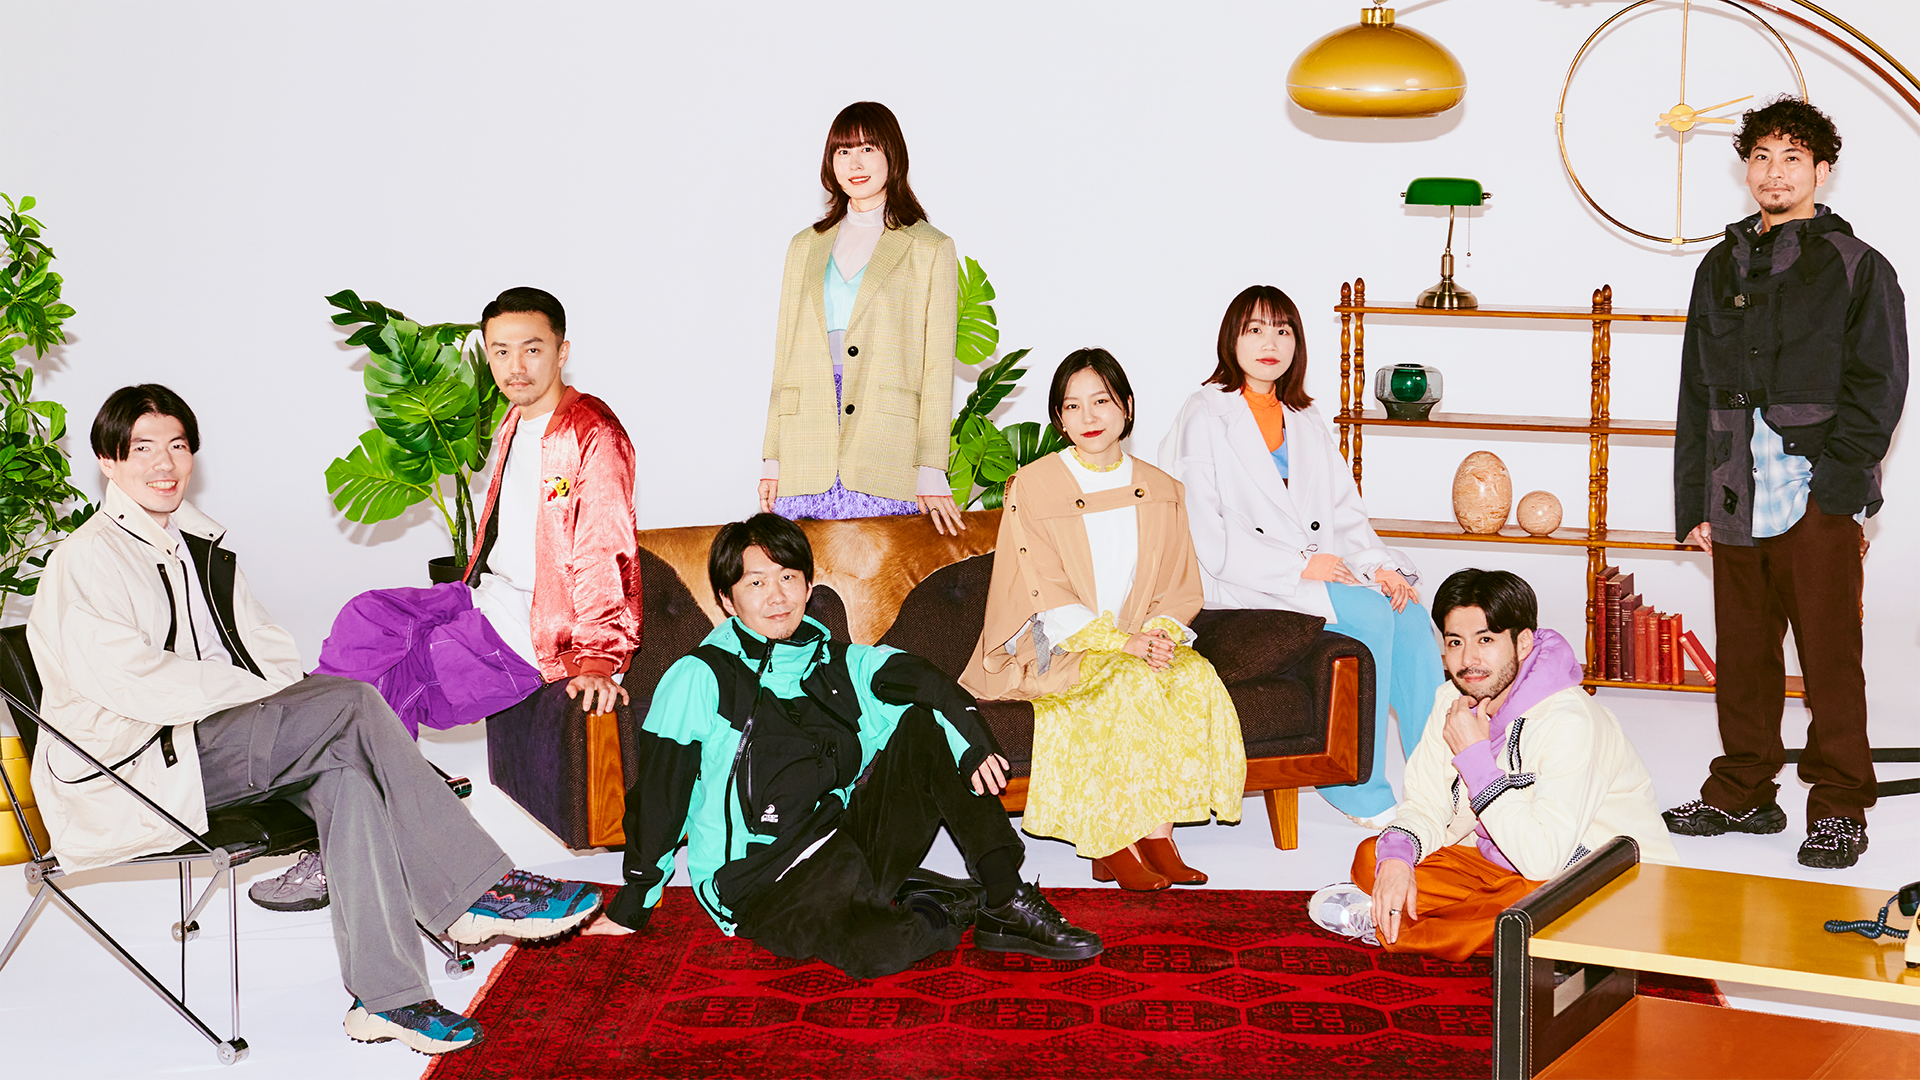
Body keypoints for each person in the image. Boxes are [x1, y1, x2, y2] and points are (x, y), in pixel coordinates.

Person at [27, 385, 603, 1055]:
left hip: (211, 740)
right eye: (142, 449)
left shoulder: (196, 544)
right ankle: (477, 891)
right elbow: (131, 682)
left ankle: (388, 999)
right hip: (136, 765)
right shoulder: (86, 559)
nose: (164, 464)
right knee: (352, 703)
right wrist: (258, 698)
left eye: (178, 446)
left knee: (347, 777)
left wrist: (274, 696)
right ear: (108, 460)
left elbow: (267, 646)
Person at [583, 514, 1101, 979]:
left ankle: (1005, 899)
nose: (777, 596)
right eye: (756, 582)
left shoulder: (839, 663)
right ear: (727, 599)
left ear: (808, 587)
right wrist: (633, 903)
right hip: (760, 883)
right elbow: (661, 794)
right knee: (881, 951)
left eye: (788, 578)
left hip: (846, 842)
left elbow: (920, 679)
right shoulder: (700, 678)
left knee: (926, 722)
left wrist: (973, 740)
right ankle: (942, 902)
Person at [260, 287, 640, 912]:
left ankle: (343, 845)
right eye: (501, 351)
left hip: (533, 632)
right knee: (368, 617)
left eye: (532, 349)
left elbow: (607, 547)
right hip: (485, 598)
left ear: (562, 351)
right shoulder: (516, 420)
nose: (515, 366)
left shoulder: (591, 433)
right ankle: (333, 761)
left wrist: (599, 656)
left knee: (397, 681)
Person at [1665, 97, 1908, 870]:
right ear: (1747, 169)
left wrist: (1837, 485)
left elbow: (1881, 385)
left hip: (1814, 492)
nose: (1775, 172)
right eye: (1762, 157)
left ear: (1821, 170)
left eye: (1792, 158)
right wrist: (1695, 502)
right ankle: (1743, 790)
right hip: (1735, 489)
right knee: (1743, 658)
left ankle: (1839, 807)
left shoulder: (1857, 265)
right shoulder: (1719, 266)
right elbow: (1695, 391)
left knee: (1830, 662)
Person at [962, 349, 1246, 891]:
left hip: (1138, 637)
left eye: (1101, 401)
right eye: (1072, 406)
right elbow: (1043, 588)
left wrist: (1158, 635)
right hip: (1056, 644)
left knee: (1192, 676)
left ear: (1127, 407)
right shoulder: (1035, 485)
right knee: (1123, 679)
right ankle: (1111, 840)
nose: (1088, 417)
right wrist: (1120, 643)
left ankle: (1159, 836)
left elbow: (1179, 582)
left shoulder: (1161, 488)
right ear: (1059, 417)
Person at [1159, 285, 1442, 829]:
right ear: (1232, 339)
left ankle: (1441, 783)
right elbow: (1205, 532)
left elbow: (1345, 511)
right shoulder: (1205, 412)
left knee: (1406, 610)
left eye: (1283, 330)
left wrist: (1379, 566)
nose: (1270, 343)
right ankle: (1355, 784)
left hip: (1312, 573)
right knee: (1371, 615)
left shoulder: (1305, 416)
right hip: (1241, 580)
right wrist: (1298, 567)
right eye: (1255, 330)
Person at [1309, 569, 1676, 961]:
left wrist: (1475, 758)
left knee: (1530, 904)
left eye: (1485, 640)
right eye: (1455, 642)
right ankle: (1481, 927)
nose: (1469, 660)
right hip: (1499, 866)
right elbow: (1425, 804)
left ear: (1523, 643)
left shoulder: (1571, 721)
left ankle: (1392, 928)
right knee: (1376, 858)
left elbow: (1542, 859)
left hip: (1593, 877)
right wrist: (1398, 861)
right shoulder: (1451, 699)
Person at [757, 101, 965, 535]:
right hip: (806, 444)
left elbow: (936, 368)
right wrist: (773, 458)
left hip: (885, 447)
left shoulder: (930, 247)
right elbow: (785, 359)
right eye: (843, 150)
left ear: (893, 155)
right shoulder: (804, 246)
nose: (855, 163)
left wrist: (931, 466)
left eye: (868, 148)